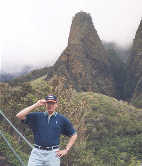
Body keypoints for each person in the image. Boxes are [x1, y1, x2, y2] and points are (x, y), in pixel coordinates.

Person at [16, 95, 77, 166]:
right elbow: (19, 115)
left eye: (52, 103)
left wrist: (66, 149)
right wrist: (36, 104)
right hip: (37, 153)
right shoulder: (37, 116)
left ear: (56, 105)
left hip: (53, 154)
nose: (50, 105)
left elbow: (74, 134)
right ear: (45, 104)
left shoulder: (62, 119)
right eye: (48, 103)